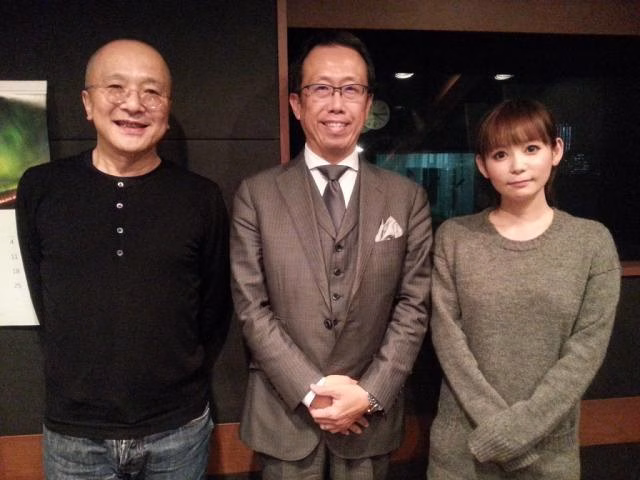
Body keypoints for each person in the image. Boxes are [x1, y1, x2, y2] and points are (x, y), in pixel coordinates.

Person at [15, 39, 231, 479]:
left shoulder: (201, 197)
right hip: (74, 435)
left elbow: (214, 308)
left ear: (167, 108)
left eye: (152, 92)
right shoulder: (41, 187)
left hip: (178, 430)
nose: (134, 104)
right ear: (87, 103)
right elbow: (44, 297)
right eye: (116, 87)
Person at [230, 30, 432, 479]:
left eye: (351, 89)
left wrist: (371, 392)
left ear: (368, 102)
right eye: (321, 88)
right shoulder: (257, 196)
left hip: (368, 419)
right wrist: (310, 389)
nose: (337, 104)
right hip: (285, 417)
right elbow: (251, 307)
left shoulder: (406, 198)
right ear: (297, 104)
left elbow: (413, 306)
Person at [427, 98, 621, 479]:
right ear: (483, 165)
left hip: (547, 454)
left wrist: (515, 433)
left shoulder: (592, 243)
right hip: (462, 450)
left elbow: (585, 353)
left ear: (556, 150)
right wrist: (500, 431)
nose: (517, 165)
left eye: (531, 148)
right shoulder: (455, 238)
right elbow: (448, 341)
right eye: (500, 154)